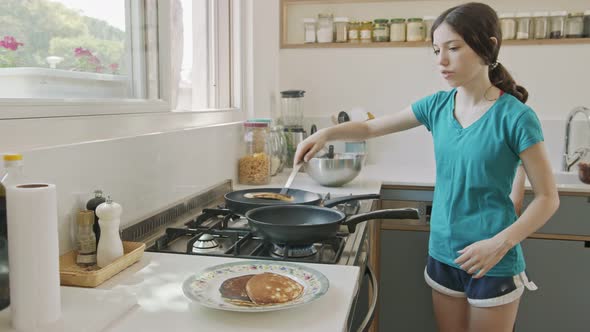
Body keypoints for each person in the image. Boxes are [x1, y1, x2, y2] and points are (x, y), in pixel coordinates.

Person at [293, 3, 559, 331]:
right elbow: (371, 128)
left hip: (494, 260)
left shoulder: (516, 117)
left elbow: (548, 198)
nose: (441, 61)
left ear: (488, 46)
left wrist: (499, 244)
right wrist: (325, 133)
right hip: (443, 252)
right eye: (436, 50)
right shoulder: (437, 105)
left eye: (453, 48)